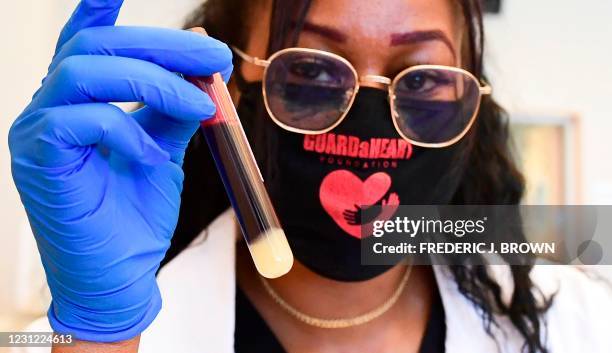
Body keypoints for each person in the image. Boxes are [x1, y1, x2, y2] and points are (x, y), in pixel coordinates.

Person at [8, 0, 611, 352]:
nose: (371, 118)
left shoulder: (579, 327)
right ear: (226, 87)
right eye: (312, 72)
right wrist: (101, 338)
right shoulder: (83, 340)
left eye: (423, 78)